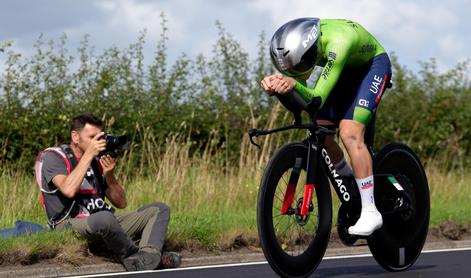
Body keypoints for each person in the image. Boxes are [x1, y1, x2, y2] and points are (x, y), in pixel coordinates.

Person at [261, 18, 392, 236]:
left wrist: (293, 85)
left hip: (371, 67)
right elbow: (301, 92)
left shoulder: (338, 41)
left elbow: (317, 96)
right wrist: (278, 85)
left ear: (313, 48)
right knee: (319, 128)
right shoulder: (304, 48)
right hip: (344, 69)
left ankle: (370, 211)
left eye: (301, 64)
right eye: (294, 67)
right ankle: (348, 179)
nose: (299, 70)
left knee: (349, 132)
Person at [35, 113, 181, 271]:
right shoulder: (54, 157)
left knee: (159, 209)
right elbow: (69, 190)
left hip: (103, 224)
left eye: (99, 137)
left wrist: (109, 175)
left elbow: (121, 203)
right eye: (92, 137)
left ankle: (150, 255)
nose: (97, 142)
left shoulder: (97, 161)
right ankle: (131, 255)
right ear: (75, 137)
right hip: (67, 225)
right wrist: (89, 155)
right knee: (105, 218)